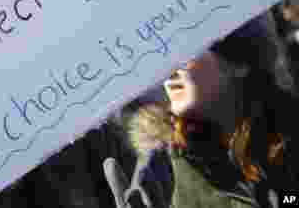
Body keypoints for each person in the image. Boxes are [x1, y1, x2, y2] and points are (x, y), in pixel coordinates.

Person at [105, 12, 299, 207]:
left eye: (185, 51)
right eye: (161, 57)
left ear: (237, 64)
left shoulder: (290, 135)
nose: (169, 71)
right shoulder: (169, 172)